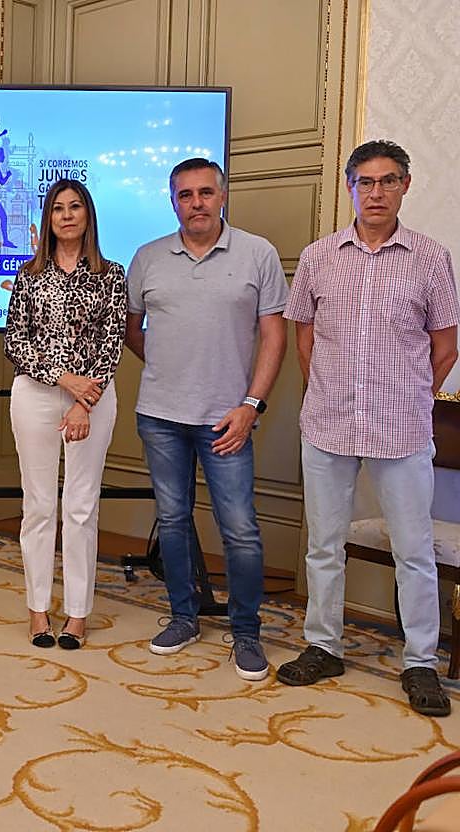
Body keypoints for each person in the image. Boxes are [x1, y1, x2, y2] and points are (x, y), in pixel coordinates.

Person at [277, 140, 459, 716]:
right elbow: (303, 336)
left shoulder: (430, 258)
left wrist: (410, 396)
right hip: (327, 424)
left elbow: (445, 344)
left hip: (401, 432)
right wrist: (325, 388)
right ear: (350, 188)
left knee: (414, 552)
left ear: (405, 186)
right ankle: (323, 645)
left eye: (387, 181)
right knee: (324, 546)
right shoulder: (318, 257)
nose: (375, 192)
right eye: (365, 182)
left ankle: (420, 662)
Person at [125, 157, 287, 681]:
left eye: (205, 193)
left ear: (222, 196)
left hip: (228, 420)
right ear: (172, 201)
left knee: (239, 530)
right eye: (185, 195)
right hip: (160, 417)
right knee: (172, 523)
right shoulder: (148, 257)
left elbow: (274, 336)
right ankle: (182, 616)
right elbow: (132, 330)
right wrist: (175, 366)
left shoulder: (257, 254)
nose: (196, 203)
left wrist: (251, 406)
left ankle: (246, 632)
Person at [5, 178, 126, 650]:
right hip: (34, 395)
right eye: (58, 208)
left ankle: (77, 614)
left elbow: (111, 341)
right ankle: (38, 610)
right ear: (48, 219)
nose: (68, 215)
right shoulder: (29, 275)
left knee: (80, 508)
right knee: (38, 505)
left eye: (76, 207)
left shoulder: (111, 274)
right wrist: (63, 379)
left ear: (88, 215)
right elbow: (15, 339)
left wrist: (82, 399)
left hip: (94, 399)